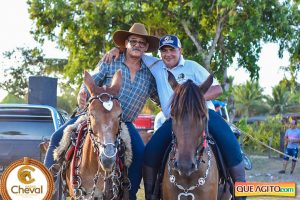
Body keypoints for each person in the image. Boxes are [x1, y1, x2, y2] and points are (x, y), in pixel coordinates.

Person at [105, 35, 246, 200]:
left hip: (203, 115)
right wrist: (118, 49)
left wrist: (193, 99)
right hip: (174, 119)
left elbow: (217, 88)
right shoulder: (157, 65)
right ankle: (151, 195)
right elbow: (136, 51)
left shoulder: (192, 66)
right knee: (150, 153)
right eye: (164, 51)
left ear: (180, 51)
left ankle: (240, 195)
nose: (168, 54)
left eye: (172, 50)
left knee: (231, 146)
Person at [44, 23, 160, 200]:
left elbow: (158, 97)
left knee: (140, 153)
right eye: (133, 41)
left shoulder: (149, 74)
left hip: (124, 122)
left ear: (146, 48)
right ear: (126, 44)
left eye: (142, 43)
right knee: (57, 137)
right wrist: (82, 94)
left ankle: (130, 193)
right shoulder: (110, 61)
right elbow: (90, 80)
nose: (137, 45)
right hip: (95, 116)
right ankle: (48, 185)